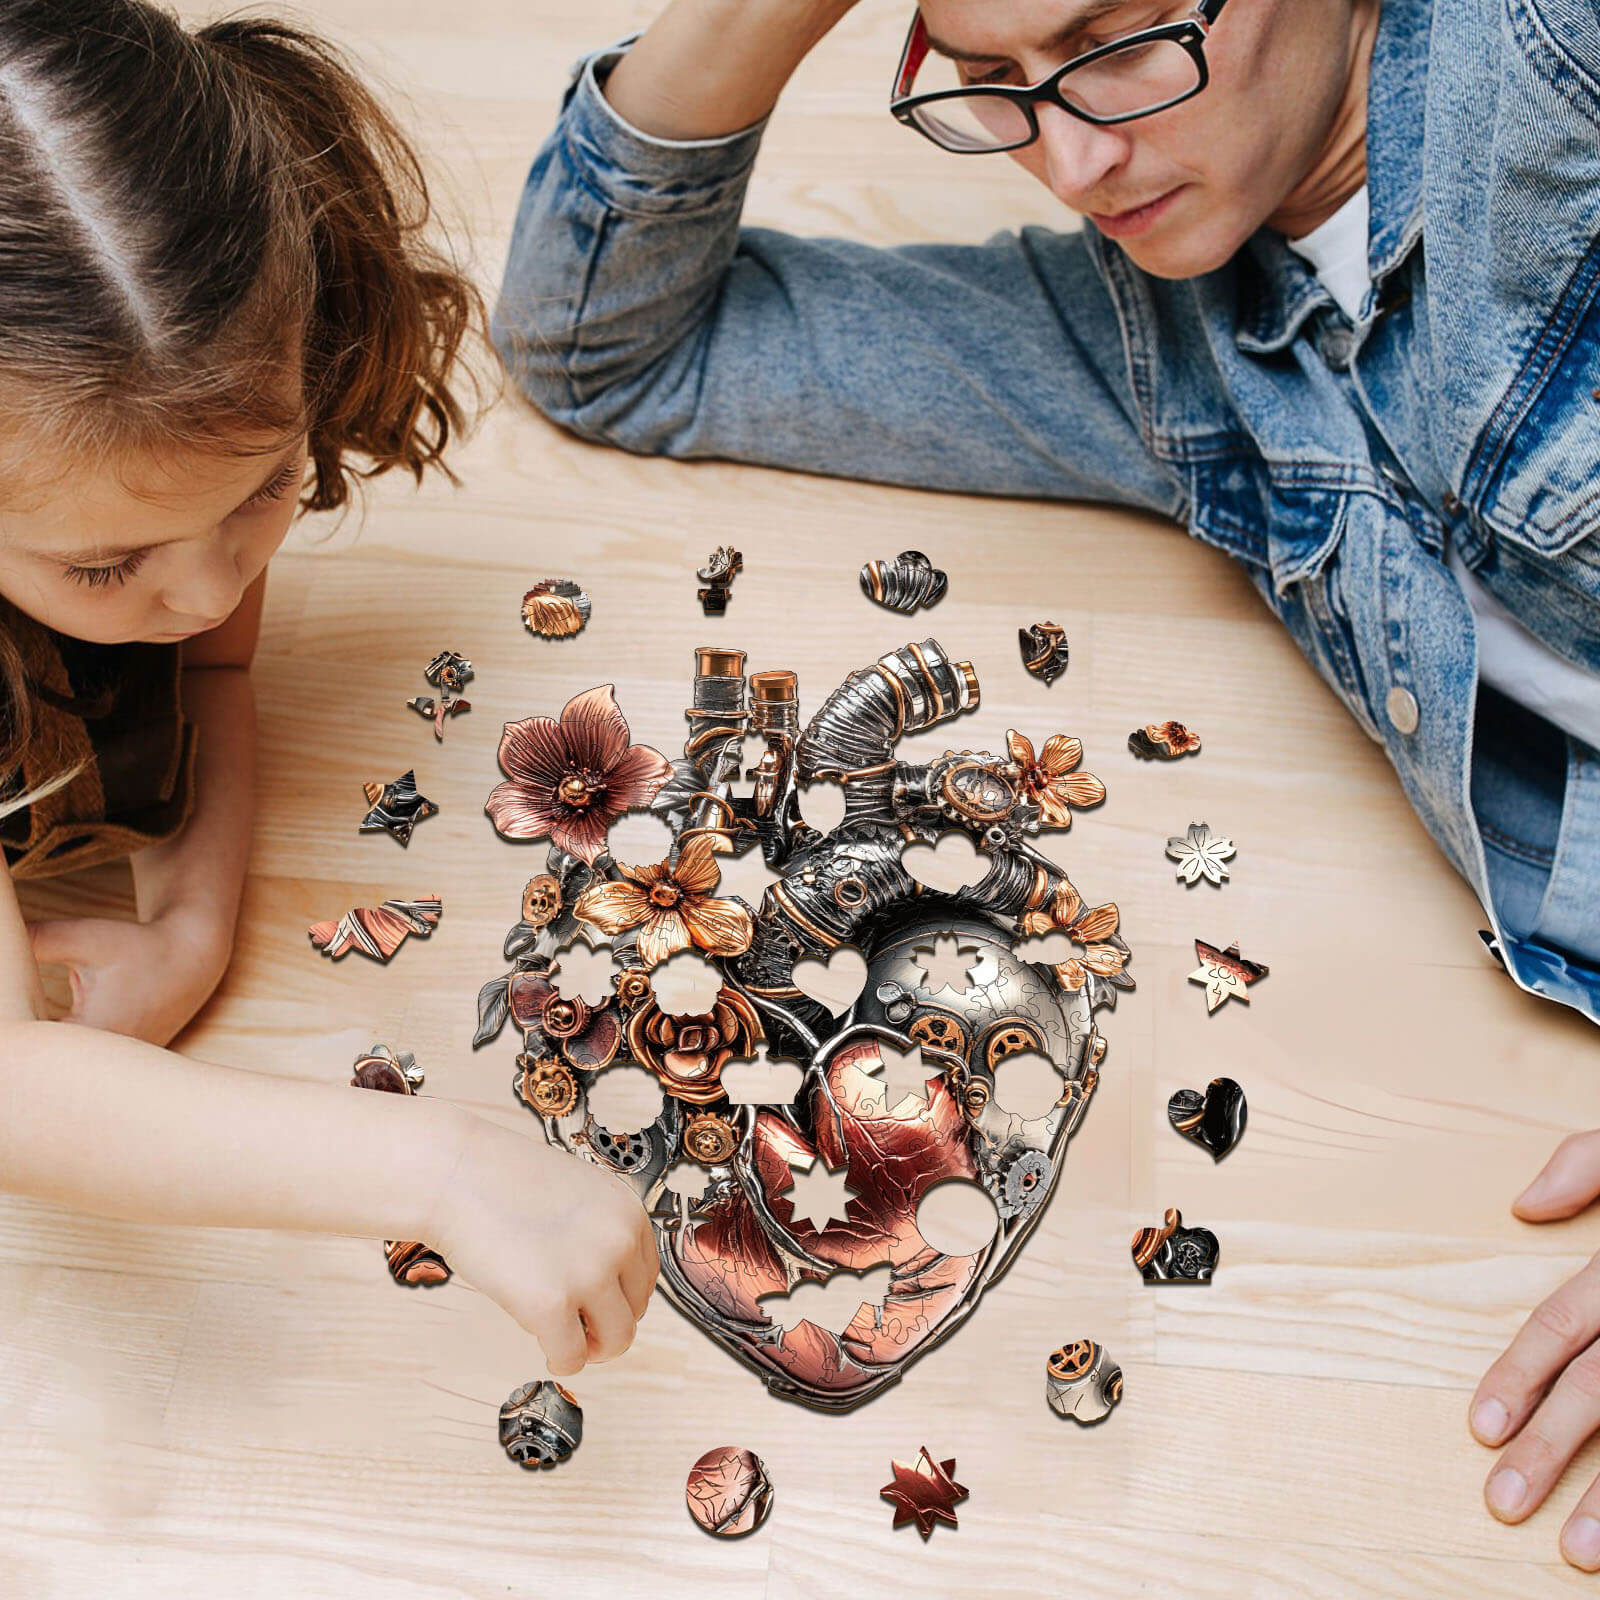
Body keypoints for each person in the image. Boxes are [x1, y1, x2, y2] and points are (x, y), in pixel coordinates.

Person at [489, 0, 1600, 1566]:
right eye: (992, 78)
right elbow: (604, 343)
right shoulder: (1154, 322)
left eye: (1119, 36)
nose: (1071, 159)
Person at [0, 0, 656, 1382]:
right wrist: (439, 1165)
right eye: (107, 567)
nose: (197, 591)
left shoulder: (170, 495)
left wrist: (187, 924)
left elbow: (217, 660)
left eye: (263, 494)